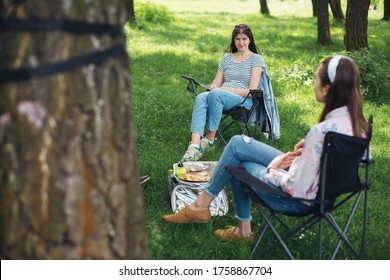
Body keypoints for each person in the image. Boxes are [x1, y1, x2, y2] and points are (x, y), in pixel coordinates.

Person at [163, 55, 369, 242]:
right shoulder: (358, 126)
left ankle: (218, 216)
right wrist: (311, 149)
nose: (314, 84)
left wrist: (274, 169)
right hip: (320, 186)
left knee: (238, 163)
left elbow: (296, 187)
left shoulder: (321, 133)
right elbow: (347, 157)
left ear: (326, 89)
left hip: (297, 199)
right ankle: (207, 209)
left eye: (316, 79)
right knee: (237, 143)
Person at [182, 24, 266, 161]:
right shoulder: (227, 58)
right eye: (237, 39)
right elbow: (216, 83)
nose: (241, 42)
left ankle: (209, 140)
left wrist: (225, 90)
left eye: (244, 39)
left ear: (250, 40)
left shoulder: (256, 59)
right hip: (220, 96)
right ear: (234, 40)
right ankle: (194, 145)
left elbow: (252, 92)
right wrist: (211, 87)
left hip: (243, 100)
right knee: (202, 97)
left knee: (216, 94)